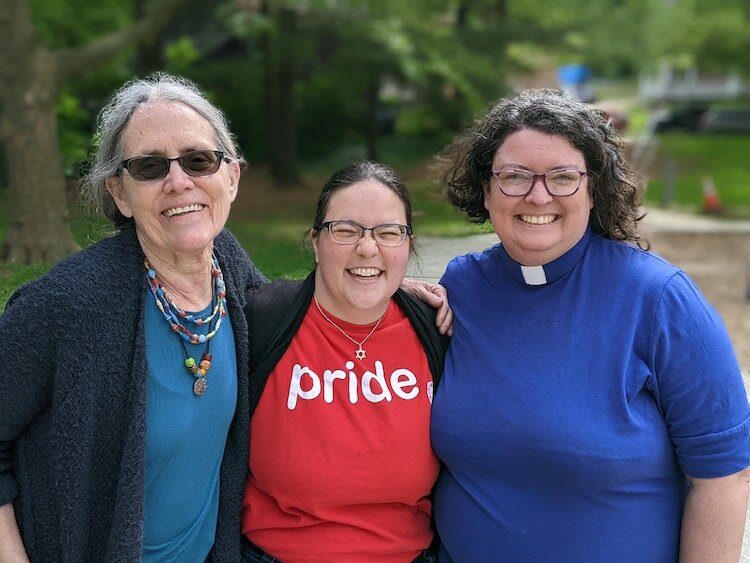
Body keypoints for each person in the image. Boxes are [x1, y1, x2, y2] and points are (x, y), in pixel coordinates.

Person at [430, 89, 750, 562]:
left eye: (563, 177)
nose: (538, 195)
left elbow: (725, 478)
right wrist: (397, 297)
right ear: (486, 188)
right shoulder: (462, 286)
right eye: (514, 176)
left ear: (594, 187)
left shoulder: (660, 299)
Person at [0, 73, 267, 561]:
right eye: (148, 167)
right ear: (120, 193)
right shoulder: (68, 305)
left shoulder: (229, 264)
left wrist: (379, 285)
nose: (179, 181)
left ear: (231, 176)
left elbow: (296, 312)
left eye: (198, 160)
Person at [241, 161, 450, 562]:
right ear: (315, 242)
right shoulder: (260, 321)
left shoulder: (437, 330)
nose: (367, 247)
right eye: (346, 230)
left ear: (408, 245)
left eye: (389, 232)